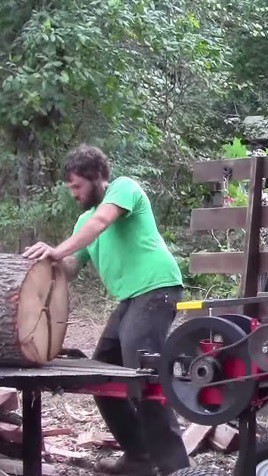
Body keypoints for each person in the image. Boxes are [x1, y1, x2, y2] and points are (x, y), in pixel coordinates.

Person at [22, 144, 190, 476]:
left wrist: (57, 250)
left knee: (143, 377)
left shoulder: (124, 189)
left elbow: (100, 223)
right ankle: (140, 457)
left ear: (97, 177)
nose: (74, 194)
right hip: (131, 300)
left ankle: (176, 468)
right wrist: (43, 269)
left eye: (77, 186)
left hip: (157, 290)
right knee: (102, 375)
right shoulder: (85, 221)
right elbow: (71, 265)